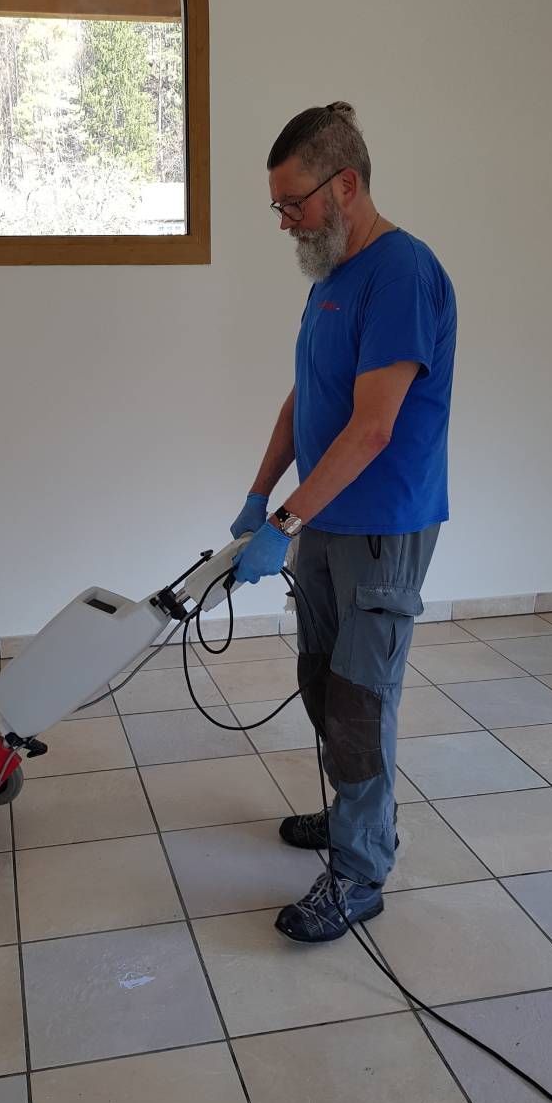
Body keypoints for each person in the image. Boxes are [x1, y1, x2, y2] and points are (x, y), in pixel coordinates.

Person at [230, 101, 456, 944]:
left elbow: (372, 428)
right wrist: (259, 497)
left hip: (380, 528)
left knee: (361, 699)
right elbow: (306, 398)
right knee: (321, 679)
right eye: (279, 206)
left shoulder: (402, 274)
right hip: (322, 519)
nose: (286, 220)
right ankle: (352, 817)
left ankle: (362, 871)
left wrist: (282, 521)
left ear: (347, 184)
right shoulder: (330, 275)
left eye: (295, 202)